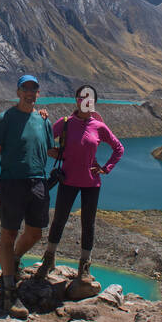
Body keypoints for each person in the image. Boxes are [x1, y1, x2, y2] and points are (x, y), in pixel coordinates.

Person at [36, 84, 124, 285]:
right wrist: (43, 121)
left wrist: (106, 168)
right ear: (76, 100)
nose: (85, 101)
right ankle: (49, 260)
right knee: (59, 220)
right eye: (81, 97)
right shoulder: (65, 123)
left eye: (89, 98)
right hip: (68, 179)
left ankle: (84, 267)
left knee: (88, 224)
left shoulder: (99, 127)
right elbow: (45, 137)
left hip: (91, 183)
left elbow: (118, 148)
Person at [0, 74, 53, 312]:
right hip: (11, 184)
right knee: (9, 233)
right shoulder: (4, 119)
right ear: (17, 92)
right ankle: (8, 292)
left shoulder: (43, 121)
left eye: (33, 89)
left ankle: (13, 260)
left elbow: (50, 150)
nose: (29, 93)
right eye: (25, 89)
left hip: (37, 182)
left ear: (38, 93)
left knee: (35, 233)